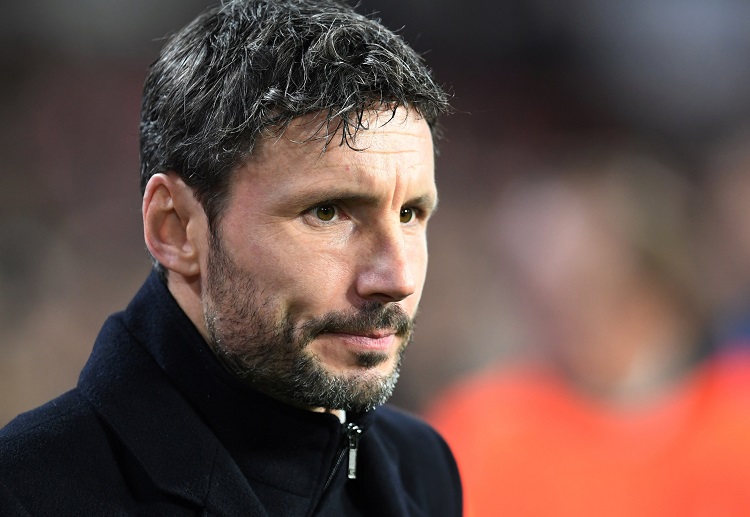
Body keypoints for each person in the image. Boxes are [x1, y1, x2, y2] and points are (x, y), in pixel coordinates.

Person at [0, 1, 461, 515]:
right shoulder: (25, 492)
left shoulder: (423, 468)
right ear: (176, 228)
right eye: (327, 212)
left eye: (410, 213)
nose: (396, 278)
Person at [426, 149, 750, 517]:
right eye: (541, 294)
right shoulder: (486, 425)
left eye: (590, 287)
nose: (569, 320)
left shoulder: (737, 416)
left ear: (657, 288)